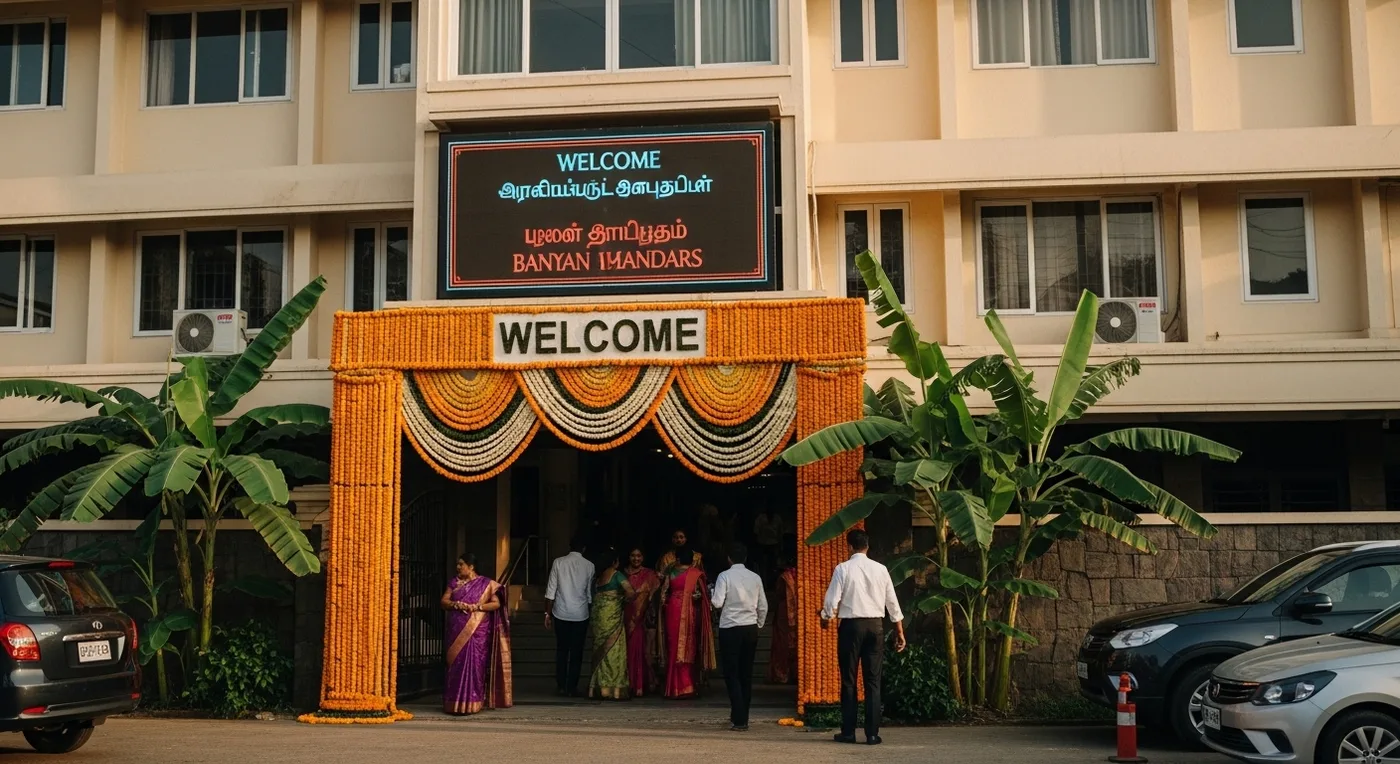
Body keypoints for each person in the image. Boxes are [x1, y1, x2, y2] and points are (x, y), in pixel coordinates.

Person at [820, 529, 906, 746]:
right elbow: (892, 602)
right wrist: (899, 630)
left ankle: (848, 732)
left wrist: (825, 617)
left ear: (850, 547)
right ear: (867, 546)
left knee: (849, 681)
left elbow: (832, 601)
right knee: (873, 682)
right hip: (875, 625)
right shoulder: (881, 569)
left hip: (851, 627)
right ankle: (872, 734)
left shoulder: (843, 569)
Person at [440, 553, 512, 715]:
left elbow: (496, 604)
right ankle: (453, 703)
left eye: (461, 564)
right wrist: (455, 604)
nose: (458, 567)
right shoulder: (454, 583)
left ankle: (473, 703)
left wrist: (478, 607)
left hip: (477, 631)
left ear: (471, 567)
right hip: (456, 629)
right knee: (455, 664)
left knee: (475, 665)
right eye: (458, 564)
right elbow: (444, 601)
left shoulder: (486, 584)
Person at [710, 542, 767, 732]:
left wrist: (711, 593)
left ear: (728, 559)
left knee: (732, 674)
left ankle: (738, 717)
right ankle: (743, 716)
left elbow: (717, 603)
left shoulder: (724, 576)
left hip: (730, 628)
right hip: (749, 627)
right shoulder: (755, 577)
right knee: (746, 674)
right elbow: (763, 606)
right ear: (745, 558)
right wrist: (758, 624)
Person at [656, 545, 716, 699]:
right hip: (690, 612)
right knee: (690, 646)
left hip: (673, 610)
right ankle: (687, 687)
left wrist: (666, 605)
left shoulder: (671, 573)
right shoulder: (697, 574)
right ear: (692, 560)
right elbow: (703, 596)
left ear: (677, 558)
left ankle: (673, 688)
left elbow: (663, 596)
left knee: (674, 646)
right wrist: (695, 597)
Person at [545, 534, 594, 697]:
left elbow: (551, 591)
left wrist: (547, 613)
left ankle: (561, 685)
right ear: (584, 549)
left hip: (561, 612)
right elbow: (588, 594)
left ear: (569, 547)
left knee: (561, 650)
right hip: (581, 614)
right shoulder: (590, 566)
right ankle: (572, 687)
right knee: (577, 653)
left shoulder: (558, 562)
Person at [588, 548, 637, 699]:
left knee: (600, 651)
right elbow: (630, 592)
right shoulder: (617, 575)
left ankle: (598, 688)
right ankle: (614, 689)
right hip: (613, 620)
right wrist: (622, 601)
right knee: (614, 652)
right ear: (615, 562)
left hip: (598, 619)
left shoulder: (597, 579)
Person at [623, 547, 661, 696]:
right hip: (626, 616)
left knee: (642, 651)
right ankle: (630, 683)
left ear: (643, 558)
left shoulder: (650, 575)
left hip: (643, 619)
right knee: (628, 651)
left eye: (639, 556)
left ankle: (640, 684)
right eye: (633, 556)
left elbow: (655, 595)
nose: (636, 559)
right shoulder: (623, 574)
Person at [768, 553, 798, 685]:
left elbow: (779, 594)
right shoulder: (805, 575)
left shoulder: (784, 577)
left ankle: (782, 675)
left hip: (784, 613)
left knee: (782, 644)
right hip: (799, 612)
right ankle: (796, 675)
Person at [752, 506, 782, 585]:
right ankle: (763, 583)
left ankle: (772, 583)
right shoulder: (761, 518)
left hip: (773, 544)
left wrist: (779, 544)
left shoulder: (777, 518)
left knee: (773, 565)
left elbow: (780, 532)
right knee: (762, 565)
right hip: (762, 544)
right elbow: (756, 532)